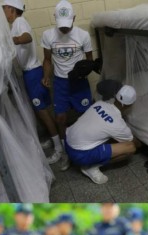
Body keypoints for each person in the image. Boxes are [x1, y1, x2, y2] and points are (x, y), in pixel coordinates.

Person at [2, 0, 62, 164]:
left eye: (4, 8)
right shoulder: (16, 24)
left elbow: (26, 38)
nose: (3, 12)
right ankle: (54, 138)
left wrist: (7, 41)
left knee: (41, 111)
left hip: (33, 74)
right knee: (40, 110)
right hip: (31, 73)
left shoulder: (20, 22)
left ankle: (58, 148)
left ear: (12, 9)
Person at [41, 0, 94, 171]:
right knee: (60, 118)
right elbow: (48, 60)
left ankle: (88, 149)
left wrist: (83, 71)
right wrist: (46, 76)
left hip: (78, 82)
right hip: (61, 82)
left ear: (74, 18)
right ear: (55, 17)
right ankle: (66, 153)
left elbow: (90, 61)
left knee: (85, 116)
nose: (64, 29)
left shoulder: (83, 35)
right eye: (61, 24)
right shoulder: (48, 35)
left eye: (68, 24)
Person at [64, 85, 140, 184]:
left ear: (116, 96)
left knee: (104, 133)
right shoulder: (119, 125)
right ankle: (91, 167)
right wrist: (142, 144)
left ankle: (75, 157)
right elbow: (132, 142)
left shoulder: (100, 103)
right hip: (79, 154)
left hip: (67, 141)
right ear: (129, 105)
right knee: (130, 147)